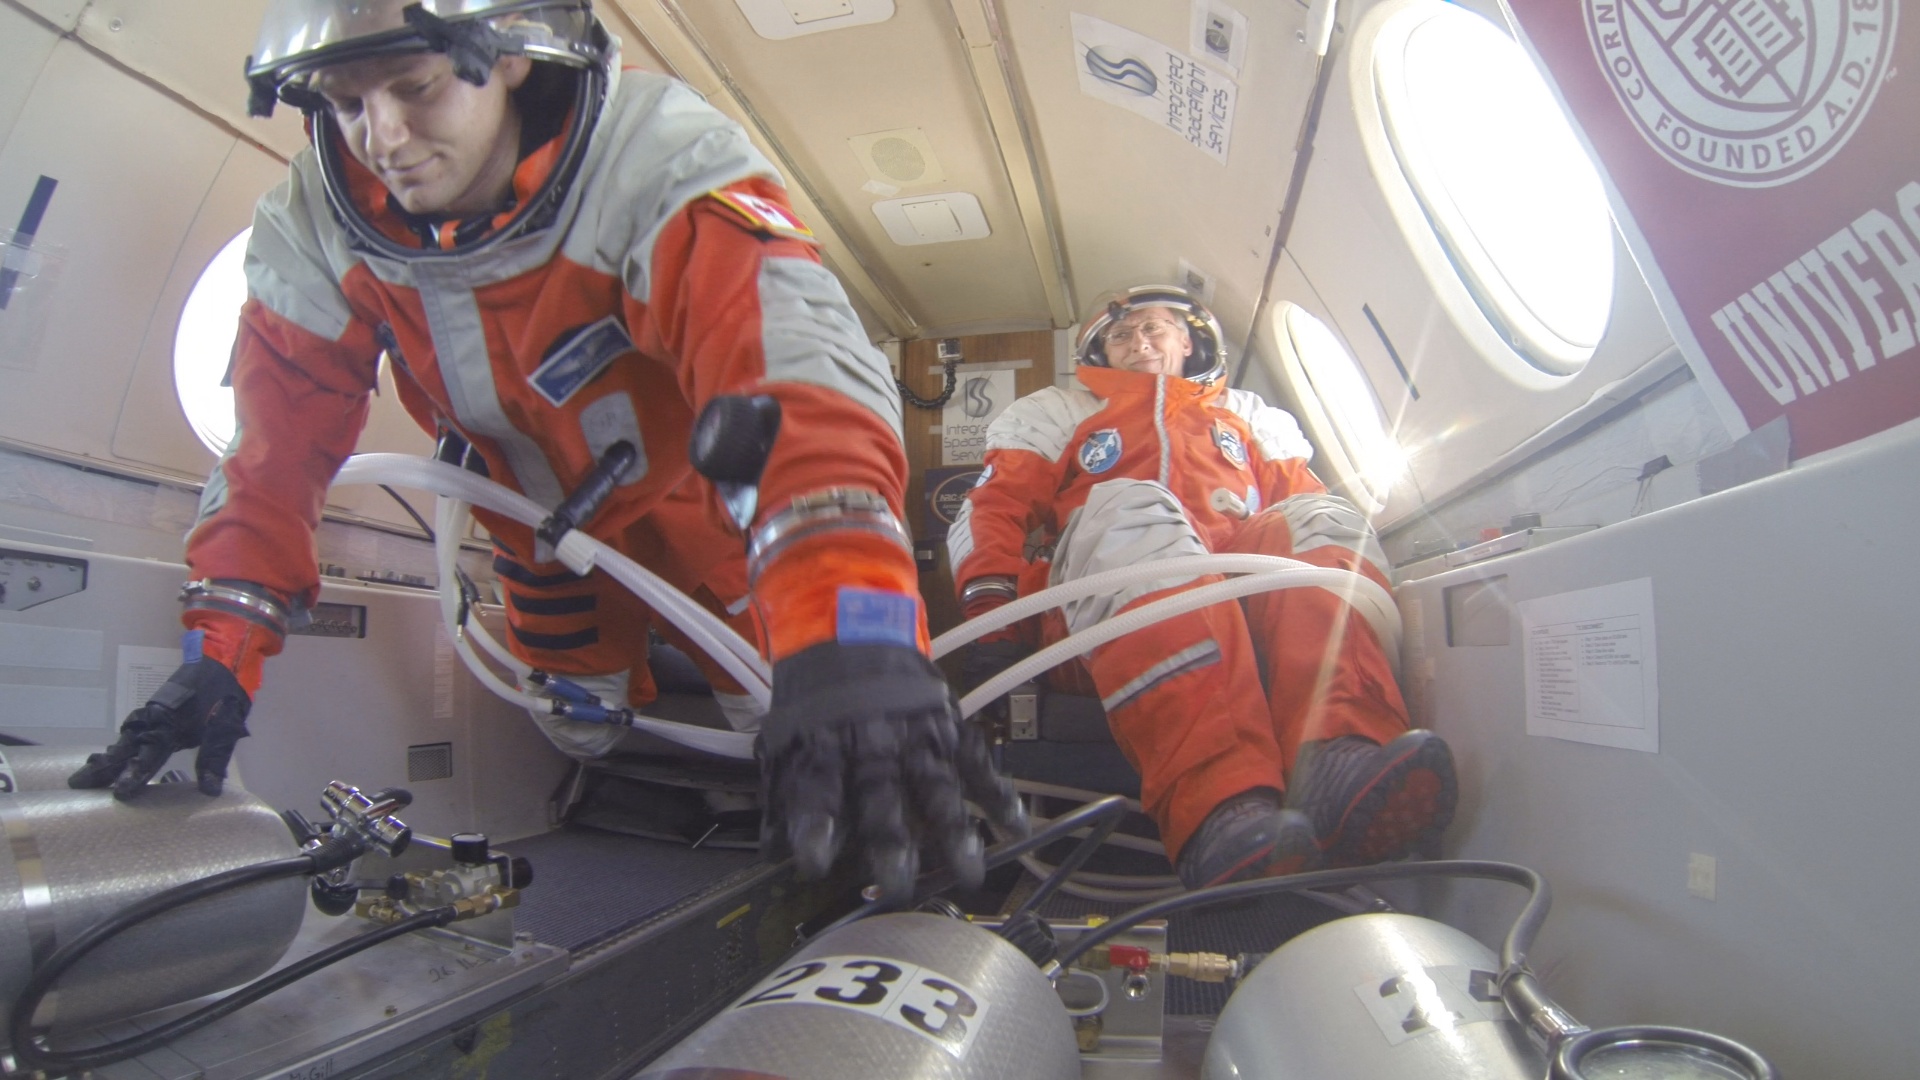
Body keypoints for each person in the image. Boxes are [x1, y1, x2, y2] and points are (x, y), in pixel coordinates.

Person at [67, 0, 1022, 900]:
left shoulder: (655, 159)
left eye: (415, 88)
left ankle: (828, 853)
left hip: (709, 514)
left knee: (784, 718)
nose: (382, 139)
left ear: (512, 55)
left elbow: (793, 380)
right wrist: (218, 657)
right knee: (580, 726)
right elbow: (275, 451)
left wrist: (854, 640)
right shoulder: (313, 223)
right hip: (532, 527)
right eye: (346, 103)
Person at [949, 285, 1456, 890]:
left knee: (1321, 520)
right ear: (1099, 353)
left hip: (1245, 607)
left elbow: (1304, 506)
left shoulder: (1250, 416)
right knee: (1132, 507)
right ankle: (1221, 806)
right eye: (1121, 334)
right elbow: (991, 507)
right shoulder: (1059, 411)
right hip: (1106, 614)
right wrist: (992, 610)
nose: (1138, 341)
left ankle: (1339, 758)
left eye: (1154, 329)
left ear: (1187, 341)